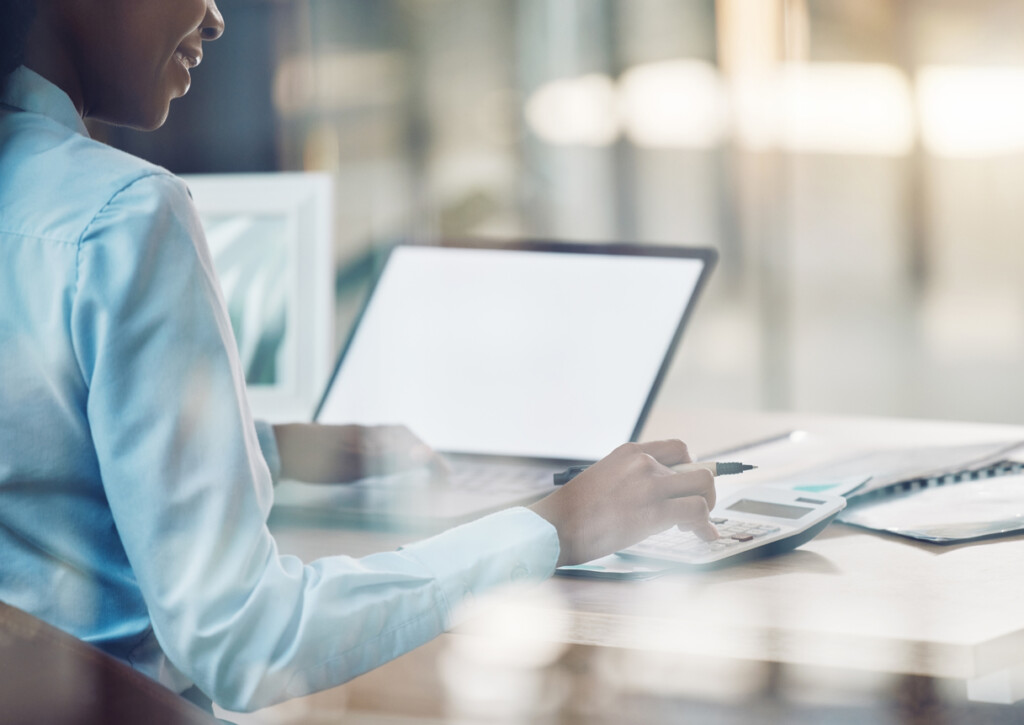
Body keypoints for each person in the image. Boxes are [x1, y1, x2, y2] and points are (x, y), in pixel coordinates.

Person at [0, 0, 718, 714]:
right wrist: (557, 524)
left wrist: (275, 447)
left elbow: (35, 462)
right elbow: (245, 641)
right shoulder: (122, 216)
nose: (216, 18)